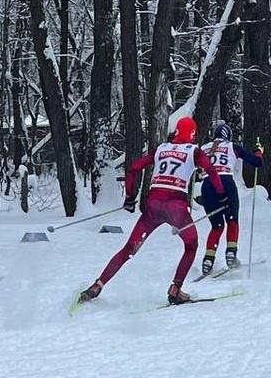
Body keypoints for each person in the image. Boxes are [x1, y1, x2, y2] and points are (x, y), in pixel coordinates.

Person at [79, 117, 224, 306]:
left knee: (129, 249)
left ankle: (98, 284)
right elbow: (212, 171)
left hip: (153, 206)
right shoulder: (194, 152)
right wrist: (222, 195)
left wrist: (130, 197)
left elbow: (134, 168)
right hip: (176, 208)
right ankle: (175, 289)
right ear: (193, 134)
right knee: (191, 245)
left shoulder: (161, 149)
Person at [198, 121, 263, 274]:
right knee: (232, 220)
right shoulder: (232, 146)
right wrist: (258, 151)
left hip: (207, 186)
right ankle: (231, 254)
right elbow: (257, 162)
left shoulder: (203, 148)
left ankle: (208, 259)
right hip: (226, 182)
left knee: (216, 225)